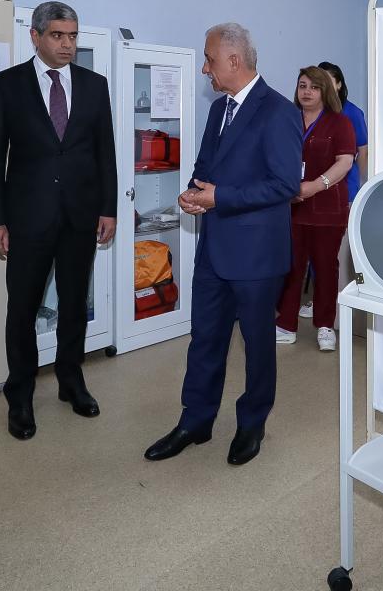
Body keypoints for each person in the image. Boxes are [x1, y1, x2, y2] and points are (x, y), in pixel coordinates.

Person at [144, 23, 301, 466]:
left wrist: (221, 198)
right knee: (205, 338)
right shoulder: (219, 110)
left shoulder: (278, 111)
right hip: (214, 249)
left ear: (234, 60)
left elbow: (285, 185)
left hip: (257, 255)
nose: (204, 69)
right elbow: (206, 167)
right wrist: (193, 193)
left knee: (256, 344)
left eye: (209, 60)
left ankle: (252, 423)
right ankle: (195, 420)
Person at [0, 1, 117, 442]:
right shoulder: (7, 85)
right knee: (22, 308)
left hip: (80, 215)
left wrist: (108, 208)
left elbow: (105, 153)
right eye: (58, 35)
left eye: (73, 36)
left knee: (74, 304)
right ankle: (19, 396)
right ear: (35, 36)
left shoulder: (94, 86)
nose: (67, 44)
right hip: (27, 217)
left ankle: (71, 381)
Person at [275, 68, 356, 351]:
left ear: (325, 91)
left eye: (314, 87)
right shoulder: (288, 120)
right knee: (291, 267)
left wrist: (315, 185)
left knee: (325, 268)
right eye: (302, 86)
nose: (307, 92)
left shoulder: (340, 122)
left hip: (327, 208)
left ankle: (325, 326)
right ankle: (286, 324)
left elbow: (345, 162)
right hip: (292, 207)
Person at [317, 60, 367, 311]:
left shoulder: (352, 113)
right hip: (316, 191)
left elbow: (363, 150)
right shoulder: (313, 111)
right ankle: (320, 300)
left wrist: (363, 184)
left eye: (329, 80)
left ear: (338, 84)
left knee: (336, 249)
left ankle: (339, 306)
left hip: (345, 189)